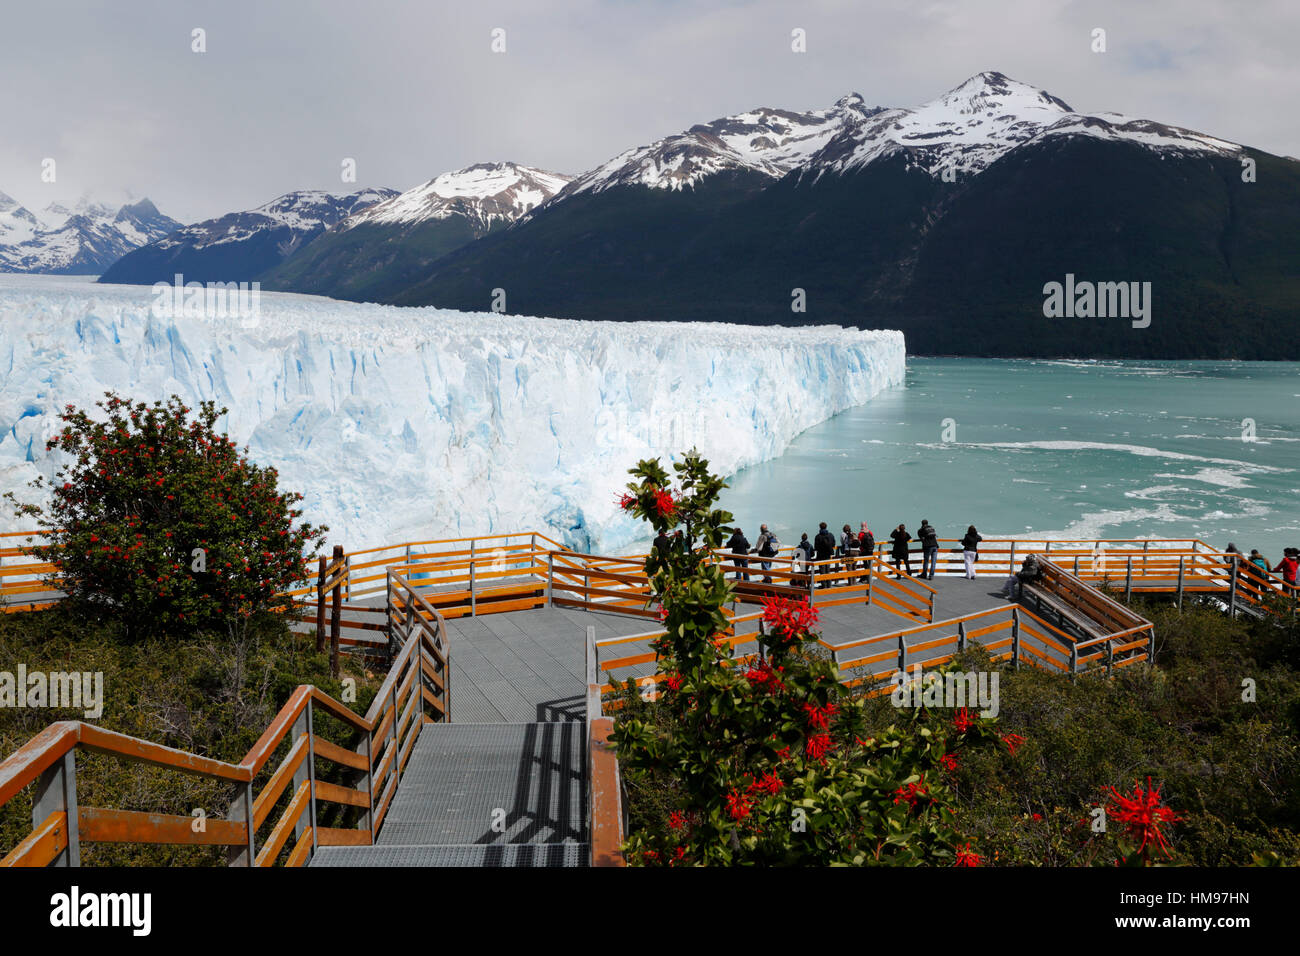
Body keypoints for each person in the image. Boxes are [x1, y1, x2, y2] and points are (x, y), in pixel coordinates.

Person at [813, 522, 836, 588]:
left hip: (821, 556)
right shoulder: (830, 535)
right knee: (828, 570)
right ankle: (829, 585)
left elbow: (816, 547)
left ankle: (824, 585)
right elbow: (833, 544)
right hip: (828, 555)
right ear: (826, 527)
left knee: (822, 571)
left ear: (820, 527)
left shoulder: (817, 536)